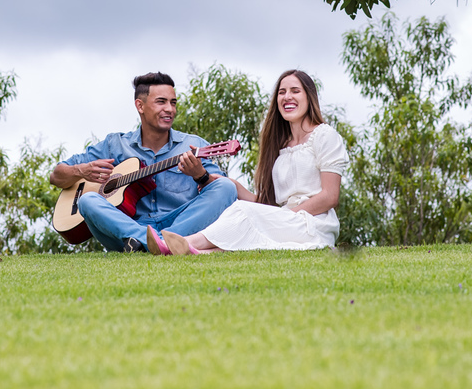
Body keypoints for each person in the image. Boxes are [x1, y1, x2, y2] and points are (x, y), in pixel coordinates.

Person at [146, 69, 348, 255]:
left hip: (312, 224)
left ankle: (181, 242)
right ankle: (197, 253)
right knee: (239, 221)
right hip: (286, 222)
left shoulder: (324, 135)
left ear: (309, 97)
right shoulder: (280, 146)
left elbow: (330, 196)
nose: (287, 97)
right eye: (282, 92)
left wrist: (286, 216)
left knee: (242, 212)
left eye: (295, 91)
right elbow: (266, 204)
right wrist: (228, 184)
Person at [49, 72, 237, 252]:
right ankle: (159, 244)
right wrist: (81, 171)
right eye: (161, 102)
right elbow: (56, 176)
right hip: (126, 230)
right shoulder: (115, 145)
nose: (170, 109)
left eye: (173, 103)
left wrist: (201, 176)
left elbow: (220, 191)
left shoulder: (194, 145)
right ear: (140, 106)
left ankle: (158, 243)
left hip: (180, 224)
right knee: (87, 200)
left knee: (227, 187)